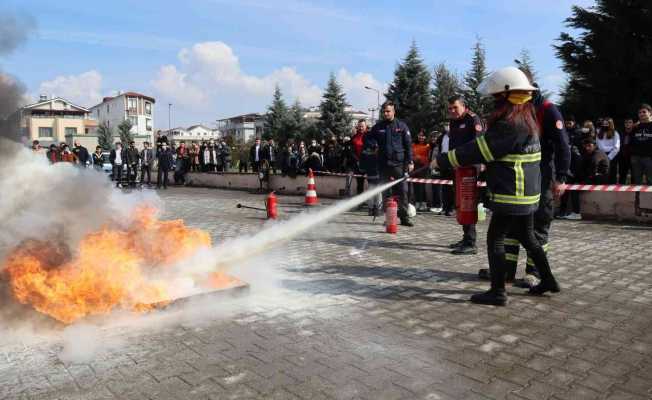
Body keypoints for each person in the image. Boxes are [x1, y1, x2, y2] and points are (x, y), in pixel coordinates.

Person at [432, 66, 559, 306]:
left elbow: (481, 149)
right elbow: (487, 144)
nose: (492, 101)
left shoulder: (510, 123)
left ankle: (498, 292)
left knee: (495, 239)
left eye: (494, 96)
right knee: (528, 237)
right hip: (527, 193)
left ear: (505, 95)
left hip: (512, 192)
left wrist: (443, 160)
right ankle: (549, 280)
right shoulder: (526, 117)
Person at [486, 73, 571, 285]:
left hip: (542, 176)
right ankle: (506, 270)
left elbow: (563, 146)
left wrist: (561, 177)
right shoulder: (520, 109)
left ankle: (534, 273)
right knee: (514, 226)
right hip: (521, 176)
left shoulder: (547, 110)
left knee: (539, 224)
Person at [447, 95, 483, 253]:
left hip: (469, 168)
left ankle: (471, 243)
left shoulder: (473, 119)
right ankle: (466, 237)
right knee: (461, 203)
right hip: (458, 167)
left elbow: (477, 144)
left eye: (455, 107)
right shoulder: (454, 121)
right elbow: (453, 145)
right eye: (450, 108)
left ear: (463, 105)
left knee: (468, 203)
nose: (452, 111)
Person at [368, 101, 414, 227]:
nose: (386, 113)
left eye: (388, 111)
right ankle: (389, 218)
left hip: (399, 164)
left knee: (403, 191)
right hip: (384, 165)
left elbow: (408, 145)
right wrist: (373, 145)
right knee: (386, 193)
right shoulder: (378, 127)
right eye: (384, 111)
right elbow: (368, 138)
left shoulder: (402, 126)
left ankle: (404, 218)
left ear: (394, 112)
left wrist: (410, 161)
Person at [360, 136, 382, 216]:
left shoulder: (365, 149)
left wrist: (363, 170)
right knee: (376, 191)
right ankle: (375, 209)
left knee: (373, 191)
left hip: (373, 173)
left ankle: (373, 208)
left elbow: (362, 161)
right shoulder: (374, 148)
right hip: (374, 173)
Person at [630, 104, 652, 185]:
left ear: (650, 113)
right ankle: (637, 198)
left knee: (650, 181)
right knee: (637, 182)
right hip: (636, 158)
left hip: (649, 158)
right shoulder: (635, 127)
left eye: (644, 112)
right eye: (639, 112)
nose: (641, 114)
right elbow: (631, 140)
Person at [411, 129, 431, 212]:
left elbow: (429, 158)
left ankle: (424, 203)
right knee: (415, 185)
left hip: (424, 167)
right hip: (414, 167)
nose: (421, 137)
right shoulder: (413, 145)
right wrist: (414, 158)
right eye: (419, 135)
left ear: (425, 137)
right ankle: (417, 202)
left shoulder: (428, 146)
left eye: (422, 136)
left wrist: (421, 158)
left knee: (422, 186)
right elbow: (411, 154)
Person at [597, 118, 620, 184]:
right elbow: (599, 145)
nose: (605, 125)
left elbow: (616, 147)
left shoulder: (615, 133)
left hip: (612, 156)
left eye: (606, 124)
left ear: (610, 124)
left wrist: (609, 157)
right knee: (603, 174)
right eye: (603, 123)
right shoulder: (599, 134)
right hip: (602, 155)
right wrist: (603, 156)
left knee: (612, 174)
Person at [351, 119, 368, 197]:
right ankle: (360, 201)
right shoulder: (354, 137)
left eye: (362, 126)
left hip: (369, 164)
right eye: (359, 126)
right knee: (360, 184)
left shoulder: (369, 136)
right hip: (358, 164)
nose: (361, 128)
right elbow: (352, 151)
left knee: (371, 183)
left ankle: (371, 202)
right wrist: (357, 160)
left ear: (366, 126)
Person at [619, 117, 635, 184]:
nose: (628, 124)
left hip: (633, 156)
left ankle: (634, 191)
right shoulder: (620, 133)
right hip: (623, 156)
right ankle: (620, 192)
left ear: (633, 124)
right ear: (624, 124)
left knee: (634, 175)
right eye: (626, 122)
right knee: (622, 175)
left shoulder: (636, 133)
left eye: (630, 122)